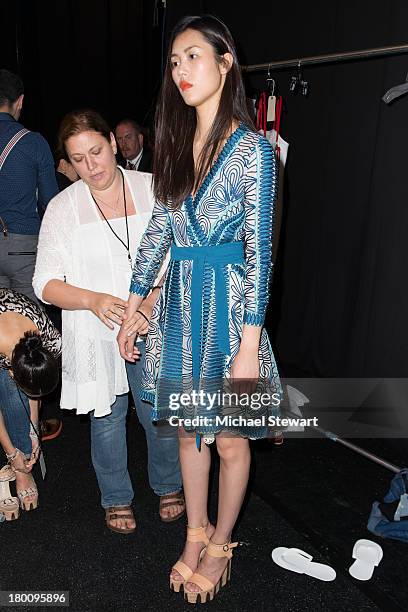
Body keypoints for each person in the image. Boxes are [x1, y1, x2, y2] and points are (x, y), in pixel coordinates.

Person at [117, 14, 282, 603]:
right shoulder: (173, 146)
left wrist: (246, 344)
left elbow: (261, 253)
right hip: (182, 307)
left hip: (231, 308)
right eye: (173, 61)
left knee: (232, 439)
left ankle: (221, 545)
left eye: (192, 56)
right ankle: (195, 532)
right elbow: (159, 231)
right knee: (190, 433)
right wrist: (136, 307)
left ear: (225, 59)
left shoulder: (253, 150)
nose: (181, 70)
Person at [33, 110, 183, 534]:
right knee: (108, 415)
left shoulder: (153, 188)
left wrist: (151, 301)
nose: (91, 166)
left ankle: (169, 483)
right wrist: (93, 300)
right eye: (78, 159)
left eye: (97, 152)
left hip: (154, 321)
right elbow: (43, 282)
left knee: (159, 411)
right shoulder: (64, 207)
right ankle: (116, 496)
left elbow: (179, 256)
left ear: (114, 144)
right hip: (95, 331)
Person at [0, 287, 61, 517]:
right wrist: (12, 454)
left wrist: (34, 431)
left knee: (20, 405)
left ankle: (24, 463)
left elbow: (35, 389)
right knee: (11, 397)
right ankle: (20, 468)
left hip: (12, 339)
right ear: (13, 373)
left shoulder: (50, 341)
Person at [0, 69, 58, 304]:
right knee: (30, 324)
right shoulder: (32, 142)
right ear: (20, 101)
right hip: (22, 246)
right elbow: (51, 202)